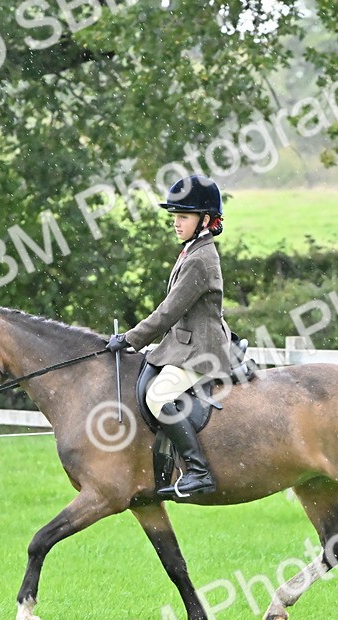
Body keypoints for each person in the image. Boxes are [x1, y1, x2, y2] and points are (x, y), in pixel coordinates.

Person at [106, 175, 233, 500]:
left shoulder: (200, 259)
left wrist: (130, 339)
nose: (176, 223)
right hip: (183, 344)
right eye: (175, 216)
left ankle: (199, 472)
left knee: (158, 396)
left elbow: (168, 312)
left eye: (184, 216)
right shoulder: (192, 250)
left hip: (201, 350)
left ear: (205, 219)